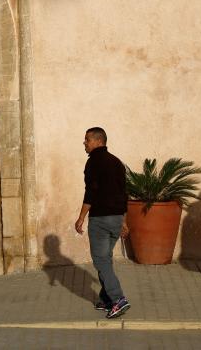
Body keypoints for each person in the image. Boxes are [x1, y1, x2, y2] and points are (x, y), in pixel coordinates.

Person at [74, 127, 130, 319]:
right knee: (105, 258)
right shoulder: (117, 163)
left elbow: (91, 192)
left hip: (100, 220)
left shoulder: (93, 163)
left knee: (100, 260)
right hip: (116, 219)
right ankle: (106, 299)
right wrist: (124, 220)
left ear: (98, 141)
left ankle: (118, 299)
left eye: (87, 140)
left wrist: (81, 217)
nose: (84, 143)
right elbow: (124, 194)